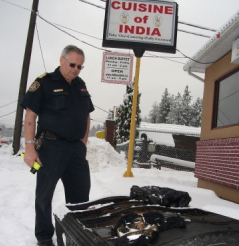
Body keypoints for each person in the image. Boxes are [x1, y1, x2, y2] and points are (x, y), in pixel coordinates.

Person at [21, 45, 94, 246]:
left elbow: (87, 114)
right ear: (61, 60)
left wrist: (83, 142)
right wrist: (29, 147)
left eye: (80, 66)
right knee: (44, 195)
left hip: (76, 150)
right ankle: (44, 237)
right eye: (72, 64)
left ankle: (76, 233)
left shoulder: (81, 85)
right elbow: (30, 116)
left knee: (80, 196)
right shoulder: (44, 82)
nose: (75, 69)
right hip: (51, 147)